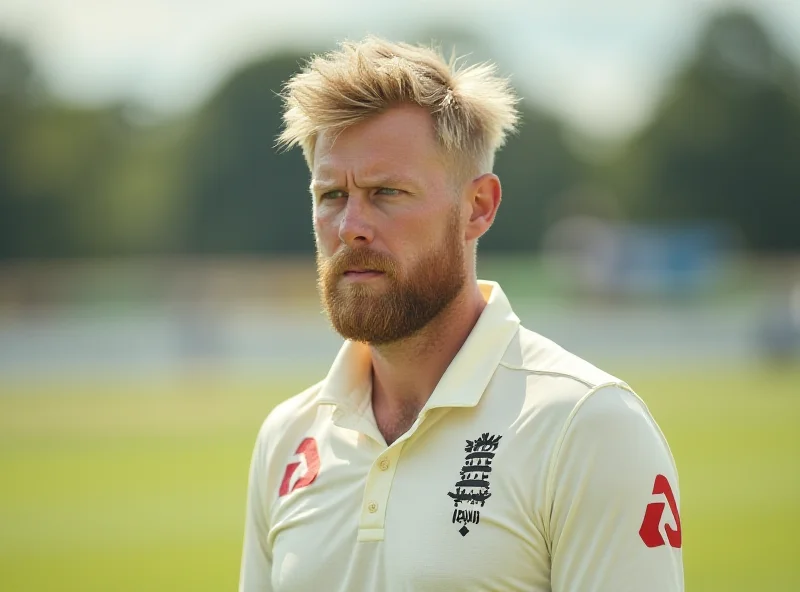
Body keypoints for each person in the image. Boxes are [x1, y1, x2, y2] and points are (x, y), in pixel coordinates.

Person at [239, 36, 683, 592]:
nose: (350, 225)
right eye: (331, 195)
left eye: (386, 192)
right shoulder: (287, 436)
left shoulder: (586, 425)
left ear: (478, 207)